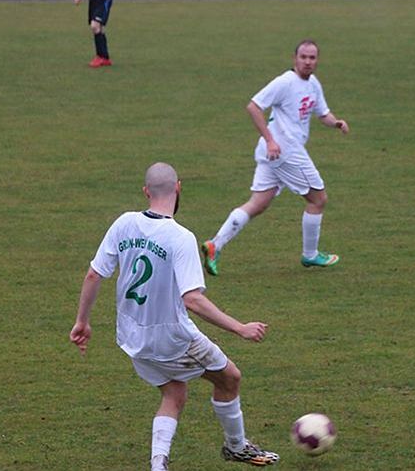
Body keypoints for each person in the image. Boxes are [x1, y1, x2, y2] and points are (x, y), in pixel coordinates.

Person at [70, 162, 280, 471]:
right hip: (172, 338)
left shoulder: (124, 223)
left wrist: (82, 322)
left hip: (132, 337)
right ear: (178, 187)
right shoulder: (180, 237)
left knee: (174, 392)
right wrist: (240, 328)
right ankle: (236, 447)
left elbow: (93, 274)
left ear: (145, 192)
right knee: (229, 378)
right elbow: (193, 299)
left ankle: (158, 465)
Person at [201, 40, 349, 276]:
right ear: (295, 58)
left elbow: (322, 113)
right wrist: (270, 139)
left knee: (257, 204)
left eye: (312, 57)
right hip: (284, 151)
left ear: (317, 60)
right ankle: (310, 255)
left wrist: (336, 122)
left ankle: (214, 245)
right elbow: (253, 106)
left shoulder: (313, 84)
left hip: (276, 153)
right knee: (318, 200)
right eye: (303, 57)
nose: (308, 61)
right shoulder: (285, 82)